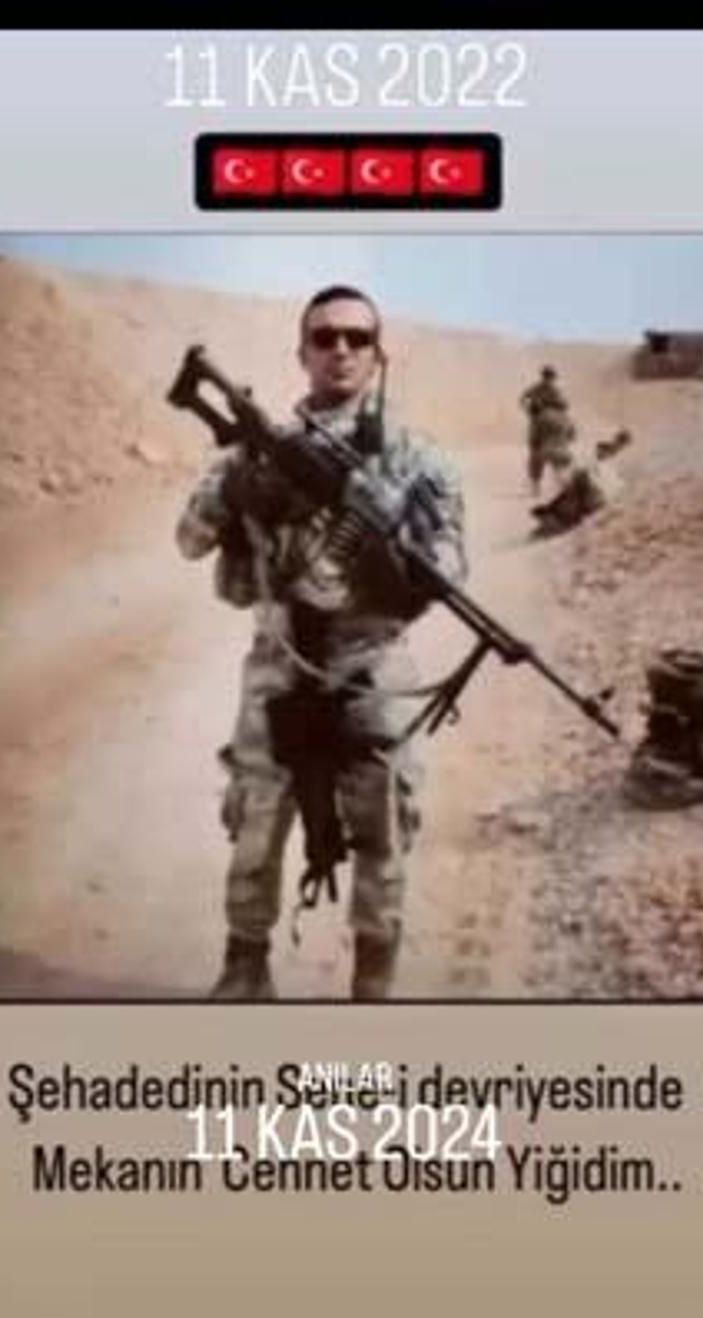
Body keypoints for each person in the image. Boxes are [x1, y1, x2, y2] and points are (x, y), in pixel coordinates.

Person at [175, 285, 467, 1001]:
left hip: (372, 663)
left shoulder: (414, 455)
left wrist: (387, 538)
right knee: (257, 816)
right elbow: (189, 540)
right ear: (301, 352)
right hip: (279, 662)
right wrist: (237, 489)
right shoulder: (259, 449)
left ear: (378, 353)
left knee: (383, 824)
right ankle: (245, 967)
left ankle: (373, 981)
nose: (341, 349)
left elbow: (452, 568)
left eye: (357, 338)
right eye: (325, 337)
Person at [519, 366, 575, 497]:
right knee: (548, 456)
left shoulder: (547, 390)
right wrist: (531, 408)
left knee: (538, 454)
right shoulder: (542, 389)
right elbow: (523, 400)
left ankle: (539, 485)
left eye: (550, 377)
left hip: (548, 423)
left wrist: (530, 408)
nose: (549, 380)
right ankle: (541, 485)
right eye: (548, 377)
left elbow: (565, 406)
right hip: (551, 423)